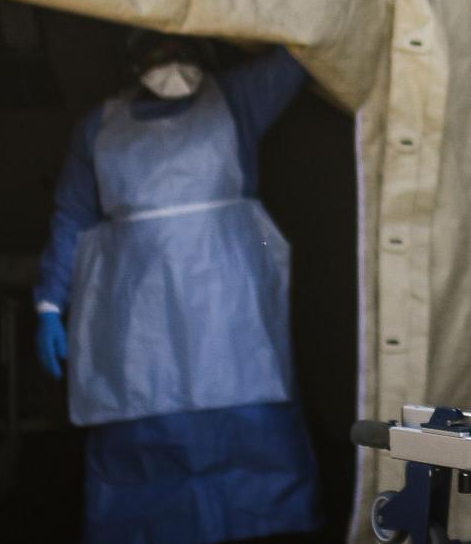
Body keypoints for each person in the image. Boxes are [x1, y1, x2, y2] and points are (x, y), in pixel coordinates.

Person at [34, 34, 320, 544]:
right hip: (138, 322)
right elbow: (72, 218)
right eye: (156, 51)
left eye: (178, 49)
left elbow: (305, 48)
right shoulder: (98, 128)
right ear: (131, 60)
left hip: (227, 311)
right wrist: (50, 302)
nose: (169, 63)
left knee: (249, 433)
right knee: (143, 440)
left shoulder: (237, 100)